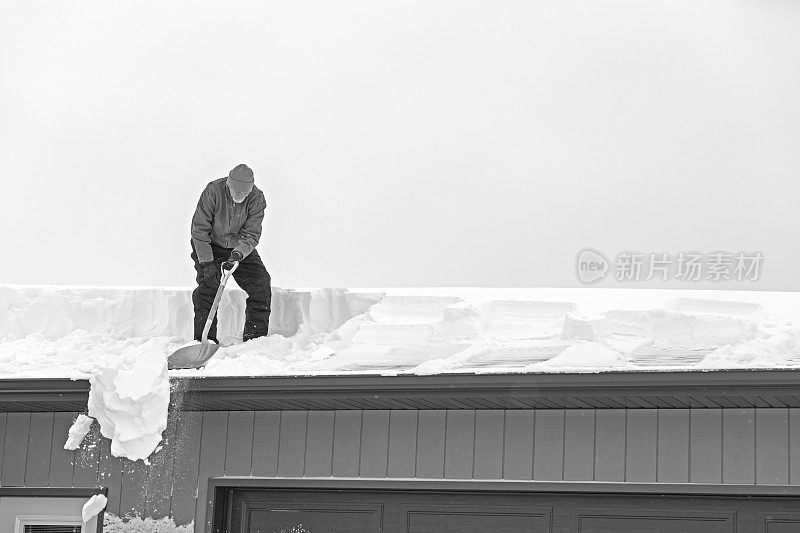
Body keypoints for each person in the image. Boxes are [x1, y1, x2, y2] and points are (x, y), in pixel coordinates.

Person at [190, 163, 271, 343]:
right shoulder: (213, 192)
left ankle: (255, 339)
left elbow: (251, 234)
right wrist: (207, 264)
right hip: (209, 245)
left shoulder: (256, 199)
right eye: (236, 192)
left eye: (244, 193)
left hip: (240, 248)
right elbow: (199, 230)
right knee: (207, 289)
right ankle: (205, 341)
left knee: (261, 284)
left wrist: (238, 254)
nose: (240, 196)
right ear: (228, 185)